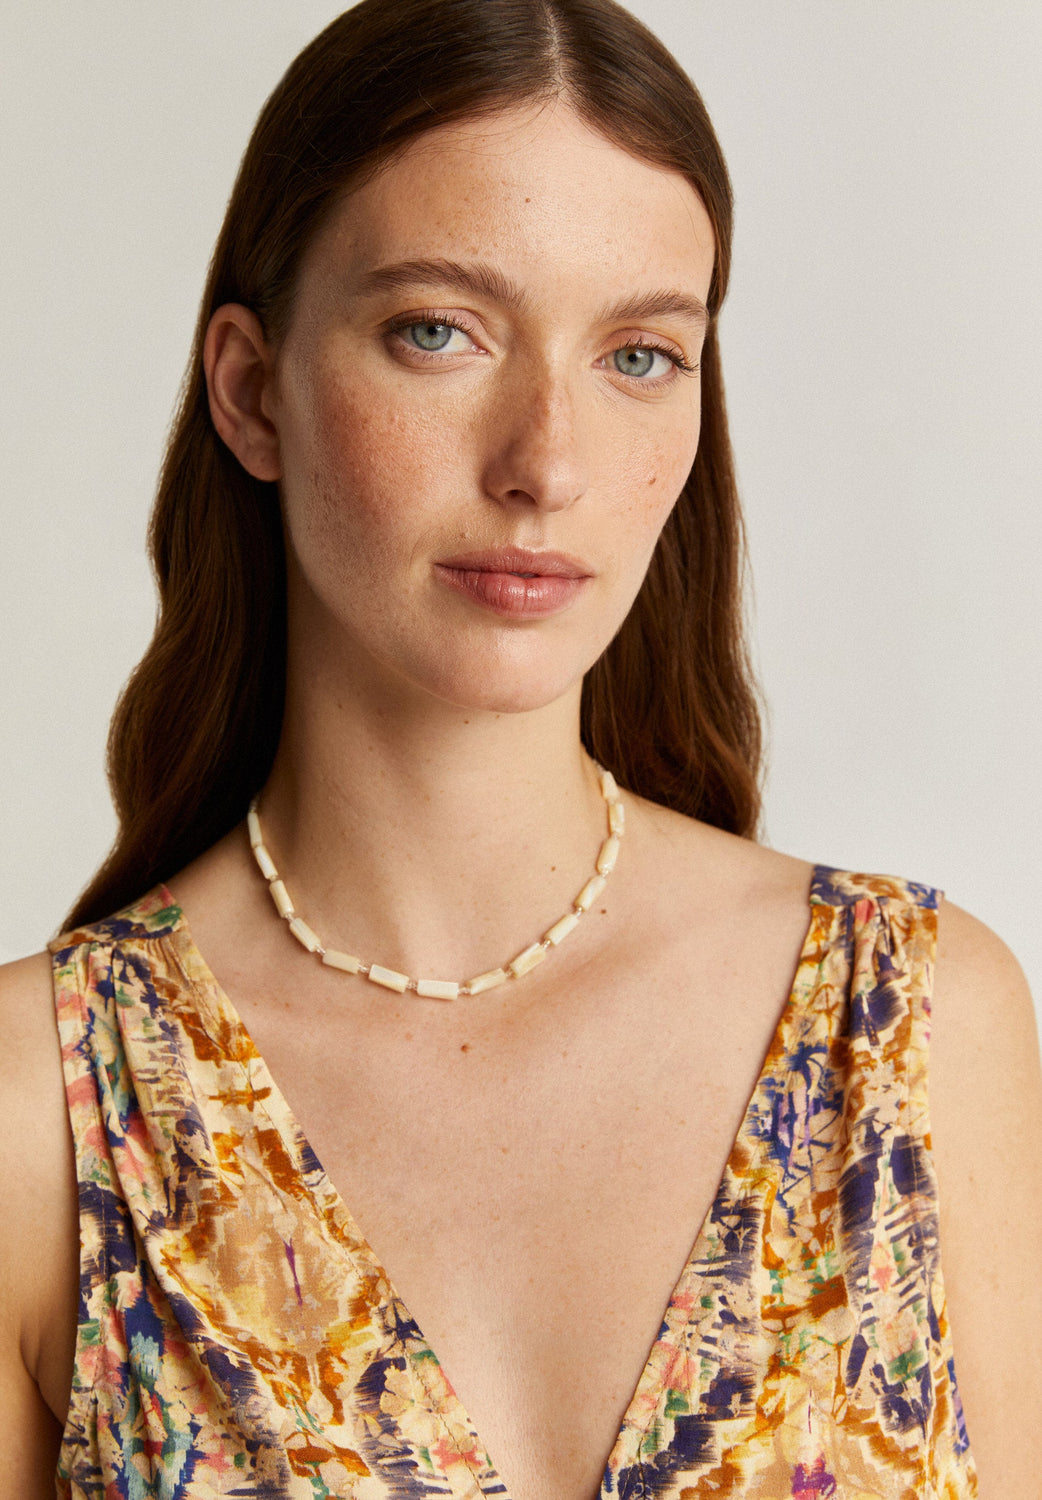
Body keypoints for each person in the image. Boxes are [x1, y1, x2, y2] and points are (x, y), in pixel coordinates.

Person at [1, 0, 1039, 1494]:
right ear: (250, 391)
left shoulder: (909, 1028)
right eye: (438, 332)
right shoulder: (42, 1110)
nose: (545, 462)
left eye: (640, 354)